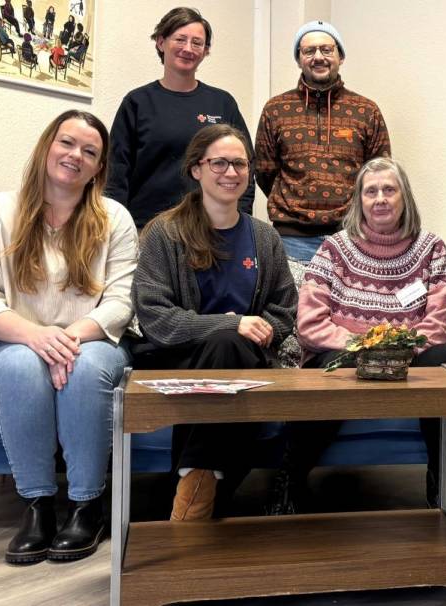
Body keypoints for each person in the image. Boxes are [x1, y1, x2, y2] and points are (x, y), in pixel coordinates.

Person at [0, 110, 137, 565]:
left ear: (99, 168)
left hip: (92, 342)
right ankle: (36, 506)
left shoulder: (115, 218)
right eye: (67, 143)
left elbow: (121, 302)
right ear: (47, 147)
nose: (76, 155)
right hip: (13, 343)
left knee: (87, 367)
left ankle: (86, 505)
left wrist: (65, 340)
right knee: (20, 365)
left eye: (90, 151)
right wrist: (36, 338)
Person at [274, 157, 446, 514]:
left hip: (409, 362)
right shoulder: (334, 249)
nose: (380, 199)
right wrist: (364, 348)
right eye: (371, 191)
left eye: (389, 190)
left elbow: (439, 325)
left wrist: (397, 352)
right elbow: (310, 324)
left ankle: (443, 485)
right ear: (359, 200)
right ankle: (290, 481)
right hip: (344, 355)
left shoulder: (432, 249)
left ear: (404, 197)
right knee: (335, 366)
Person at [132, 124, 297, 521]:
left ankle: (192, 483)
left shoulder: (264, 237)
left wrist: (259, 328)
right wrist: (228, 324)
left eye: (240, 164)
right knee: (226, 342)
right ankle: (208, 491)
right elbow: (155, 317)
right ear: (196, 169)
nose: (231, 172)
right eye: (219, 163)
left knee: (232, 347)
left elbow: (285, 308)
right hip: (180, 360)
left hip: (251, 358)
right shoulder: (164, 233)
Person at [255, 20, 390, 262]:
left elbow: (381, 173)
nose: (318, 57)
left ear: (341, 56)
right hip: (291, 240)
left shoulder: (366, 110)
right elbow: (265, 171)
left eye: (327, 49)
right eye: (309, 51)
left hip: (352, 236)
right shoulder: (276, 109)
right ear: (299, 59)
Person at [107, 7, 254, 229]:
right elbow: (116, 172)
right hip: (147, 227)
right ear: (161, 42)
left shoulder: (222, 103)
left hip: (211, 228)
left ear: (206, 51)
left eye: (197, 43)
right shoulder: (137, 102)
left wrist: (239, 220)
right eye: (180, 39)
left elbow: (246, 165)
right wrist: (117, 227)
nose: (188, 49)